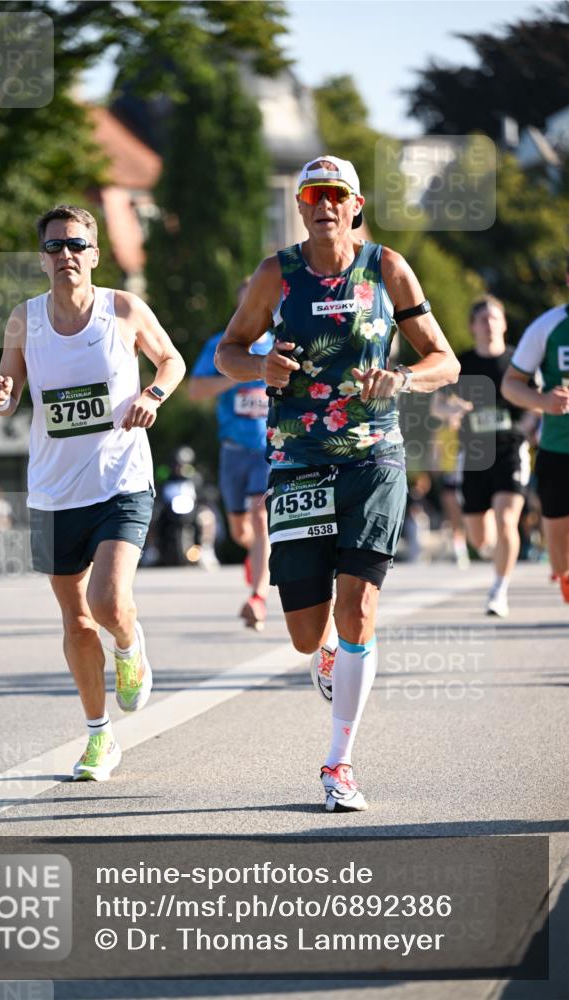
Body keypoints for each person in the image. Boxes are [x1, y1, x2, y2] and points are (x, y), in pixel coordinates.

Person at [215, 156, 459, 812]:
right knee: (304, 631)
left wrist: (403, 378)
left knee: (358, 607)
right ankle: (324, 656)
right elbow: (227, 350)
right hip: (296, 461)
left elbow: (445, 358)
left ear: (354, 206)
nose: (323, 204)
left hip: (373, 459)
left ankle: (338, 763)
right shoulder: (278, 274)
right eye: (312, 194)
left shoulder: (385, 267)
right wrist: (257, 365)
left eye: (336, 194)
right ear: (300, 206)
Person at [0, 204, 185, 781]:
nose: (65, 255)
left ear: (94, 254)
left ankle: (129, 644)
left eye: (76, 245)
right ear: (43, 258)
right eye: (54, 247)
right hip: (51, 491)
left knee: (107, 602)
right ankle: (99, 737)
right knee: (75, 623)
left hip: (119, 481)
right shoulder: (25, 321)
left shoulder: (121, 309)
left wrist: (153, 395)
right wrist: (0, 391)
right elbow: (9, 392)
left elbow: (170, 359)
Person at [432, 296, 532, 617]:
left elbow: (535, 404)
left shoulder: (519, 362)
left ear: (503, 323)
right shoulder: (461, 365)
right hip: (474, 454)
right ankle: (495, 551)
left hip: (509, 451)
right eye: (482, 319)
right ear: (473, 327)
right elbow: (437, 404)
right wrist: (452, 410)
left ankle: (499, 590)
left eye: (494, 318)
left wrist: (528, 427)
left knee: (506, 521)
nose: (489, 324)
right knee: (480, 536)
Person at [188, 279, 273, 629]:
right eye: (245, 307)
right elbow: (194, 390)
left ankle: (258, 597)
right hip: (233, 452)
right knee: (241, 531)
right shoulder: (221, 346)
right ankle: (255, 556)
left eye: (258, 305)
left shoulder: (282, 344)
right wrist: (238, 373)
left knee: (260, 518)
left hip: (268, 451)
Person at [502, 286, 569, 603]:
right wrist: (542, 401)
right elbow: (511, 384)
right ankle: (564, 576)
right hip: (559, 448)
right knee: (557, 534)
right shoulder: (547, 326)